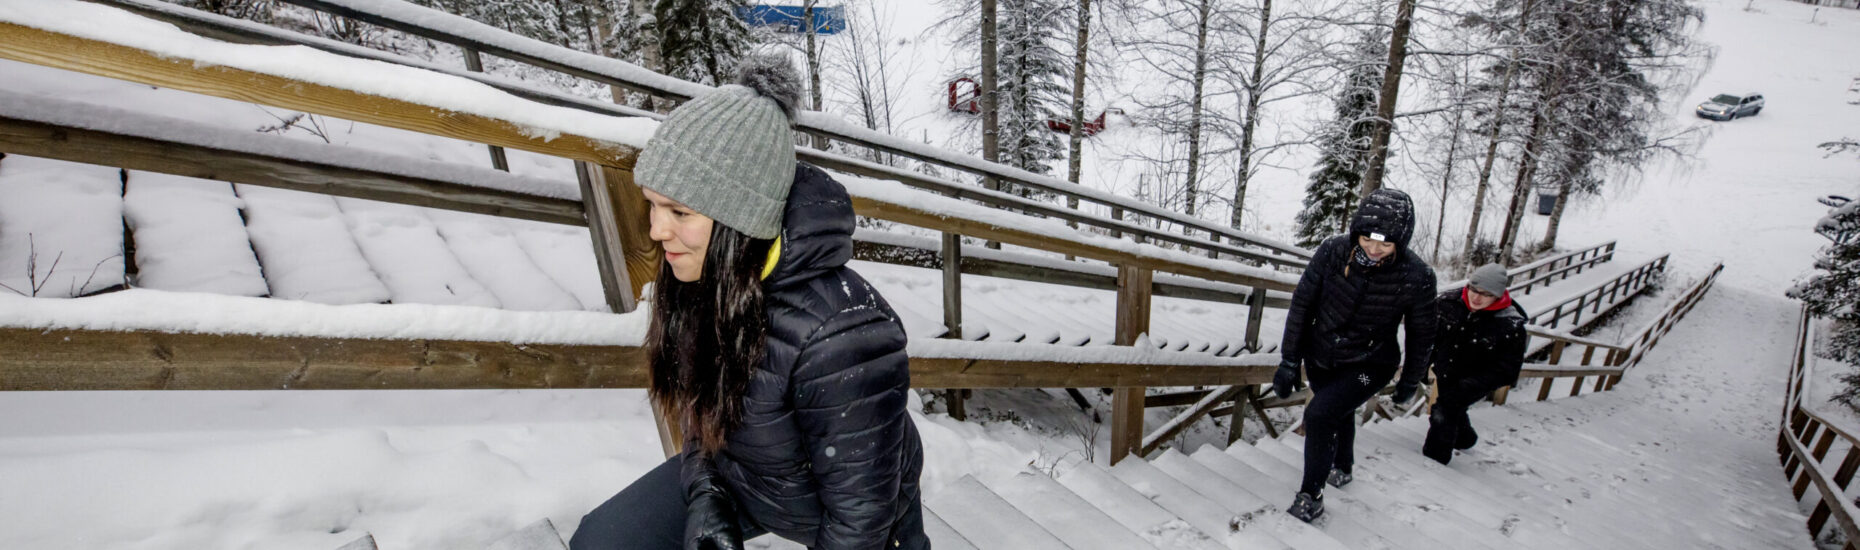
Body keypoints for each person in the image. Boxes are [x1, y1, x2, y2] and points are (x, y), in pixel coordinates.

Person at [570, 55, 926, 550]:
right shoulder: (704, 277)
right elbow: (703, 412)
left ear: (740, 220)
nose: (655, 229)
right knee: (602, 542)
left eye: (679, 211)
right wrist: (706, 494)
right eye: (652, 203)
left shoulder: (844, 334)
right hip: (746, 479)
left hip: (860, 518)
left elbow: (860, 520)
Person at [1272, 188, 1438, 523]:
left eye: (1386, 244)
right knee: (1338, 410)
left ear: (1400, 242)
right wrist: (1289, 359)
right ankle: (1343, 466)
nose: (1374, 250)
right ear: (1357, 231)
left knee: (1319, 413)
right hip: (1321, 353)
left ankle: (1311, 496)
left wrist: (1411, 378)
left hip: (1371, 361)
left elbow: (1422, 334)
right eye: (1367, 239)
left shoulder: (1417, 276)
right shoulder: (1333, 251)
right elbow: (1302, 303)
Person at [1422, 263, 1527, 465]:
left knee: (1443, 411)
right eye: (1473, 290)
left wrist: (1473, 384)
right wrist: (1423, 365)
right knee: (1453, 408)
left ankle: (1434, 461)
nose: (1476, 298)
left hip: (1476, 380)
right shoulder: (1448, 302)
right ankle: (1465, 438)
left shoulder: (1510, 324)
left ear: (1498, 295)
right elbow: (1429, 337)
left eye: (1485, 294)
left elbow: (1509, 369)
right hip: (1446, 369)